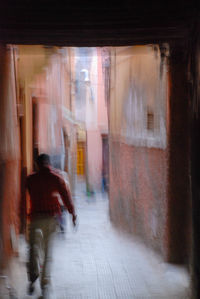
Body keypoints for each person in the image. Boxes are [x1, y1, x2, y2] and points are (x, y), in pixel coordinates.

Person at [25, 153, 77, 297]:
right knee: (48, 253)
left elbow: (23, 200)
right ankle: (45, 284)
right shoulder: (57, 178)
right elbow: (66, 197)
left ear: (37, 164)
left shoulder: (30, 179)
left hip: (35, 219)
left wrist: (23, 217)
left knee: (33, 249)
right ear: (49, 163)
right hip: (50, 220)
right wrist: (73, 214)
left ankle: (32, 277)